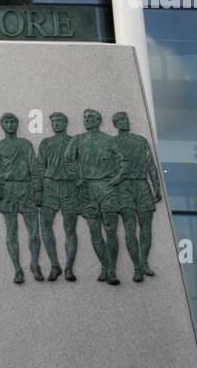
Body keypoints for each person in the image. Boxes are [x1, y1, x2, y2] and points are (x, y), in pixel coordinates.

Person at [66, 108, 126, 285]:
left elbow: (122, 160)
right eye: (85, 118)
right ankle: (104, 266)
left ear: (98, 120)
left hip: (106, 187)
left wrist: (117, 178)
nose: (87, 120)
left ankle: (113, 270)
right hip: (87, 188)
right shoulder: (77, 140)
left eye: (91, 117)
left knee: (110, 230)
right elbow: (68, 160)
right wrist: (76, 177)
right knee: (94, 231)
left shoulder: (109, 140)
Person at [0, 112, 44, 284]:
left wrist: (38, 190)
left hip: (26, 188)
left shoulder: (25, 144)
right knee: (11, 232)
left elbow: (34, 167)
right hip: (8, 190)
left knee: (34, 232)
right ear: (2, 125)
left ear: (17, 124)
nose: (9, 125)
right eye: (6, 122)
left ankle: (35, 263)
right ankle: (17, 269)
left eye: (12, 121)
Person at [111, 111, 160, 281]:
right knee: (130, 228)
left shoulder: (141, 140)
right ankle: (137, 267)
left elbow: (151, 166)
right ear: (115, 124)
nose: (126, 122)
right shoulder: (113, 142)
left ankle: (145, 262)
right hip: (123, 187)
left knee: (146, 227)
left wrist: (157, 187)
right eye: (121, 120)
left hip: (142, 185)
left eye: (126, 119)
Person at [36, 111, 80, 282]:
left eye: (59, 120)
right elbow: (40, 166)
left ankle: (69, 267)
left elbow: (81, 165)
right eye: (53, 121)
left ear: (65, 123)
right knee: (45, 226)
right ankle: (55, 265)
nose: (56, 124)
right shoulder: (46, 142)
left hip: (69, 187)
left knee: (70, 229)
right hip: (50, 187)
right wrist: (39, 190)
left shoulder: (74, 141)